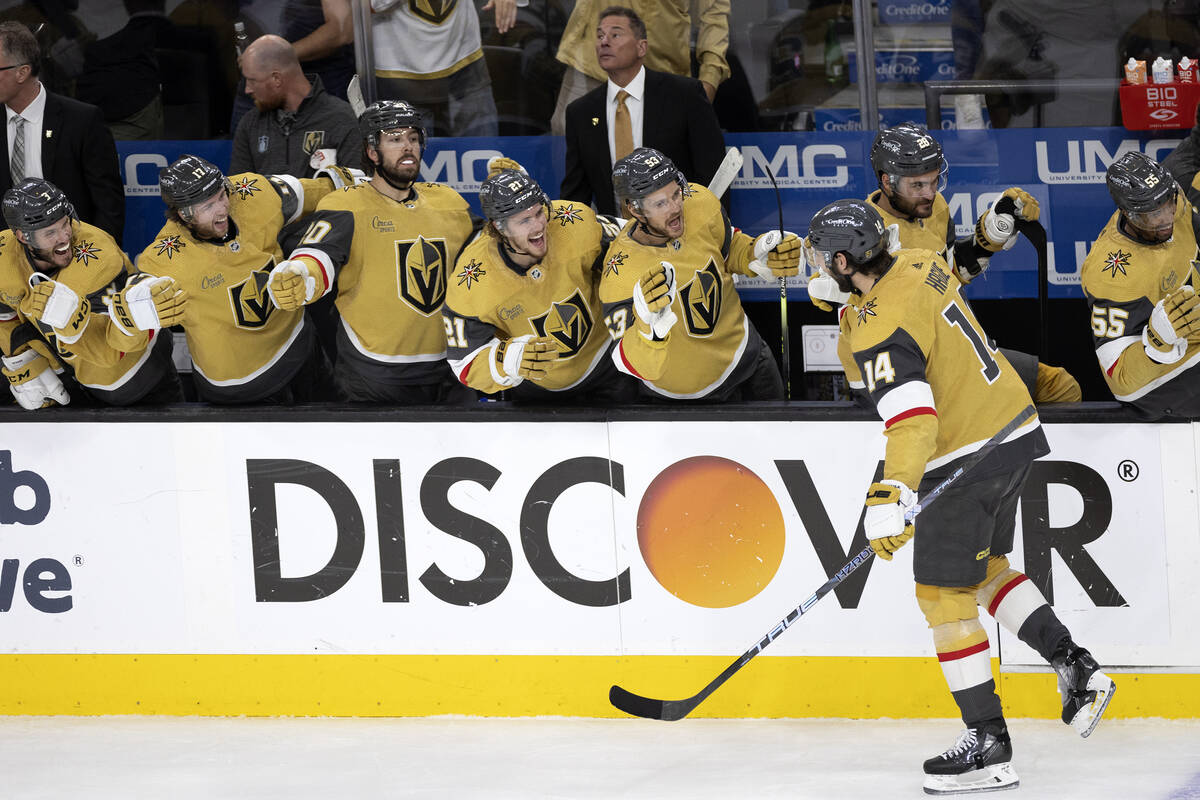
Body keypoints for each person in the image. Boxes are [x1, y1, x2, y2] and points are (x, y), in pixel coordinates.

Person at [807, 198, 1114, 795]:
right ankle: (1075, 665)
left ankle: (988, 744)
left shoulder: (877, 324)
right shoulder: (920, 262)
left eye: (825, 259)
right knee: (985, 569)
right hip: (1013, 433)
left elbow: (911, 416)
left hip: (963, 456)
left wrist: (893, 491)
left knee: (941, 593)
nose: (817, 266)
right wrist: (851, 306)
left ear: (845, 260)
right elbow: (871, 368)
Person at [809, 122, 1081, 404]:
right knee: (1053, 390)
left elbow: (948, 274)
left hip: (953, 345)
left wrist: (988, 236)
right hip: (909, 365)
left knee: (1061, 387)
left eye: (934, 180)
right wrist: (829, 290)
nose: (930, 193)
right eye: (917, 185)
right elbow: (828, 289)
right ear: (887, 181)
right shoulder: (862, 231)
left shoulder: (934, 207)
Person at [276, 100, 474, 404]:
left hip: (449, 368)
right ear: (371, 151)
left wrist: (514, 209)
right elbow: (319, 253)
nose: (408, 147)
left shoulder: (448, 201)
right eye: (394, 139)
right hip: (374, 374)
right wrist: (302, 274)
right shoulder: (346, 204)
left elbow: (485, 253)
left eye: (413, 138)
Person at [135, 154, 346, 405]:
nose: (223, 208)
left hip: (301, 351)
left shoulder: (252, 192)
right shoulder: (164, 261)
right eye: (208, 206)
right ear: (184, 215)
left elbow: (320, 191)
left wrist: (360, 183)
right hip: (239, 387)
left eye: (221, 196)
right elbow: (134, 318)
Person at [598, 147, 797, 401]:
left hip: (748, 364)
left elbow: (727, 248)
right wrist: (649, 334)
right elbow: (629, 361)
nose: (675, 208)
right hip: (675, 398)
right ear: (635, 210)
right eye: (660, 203)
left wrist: (754, 254)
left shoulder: (700, 201)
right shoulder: (619, 273)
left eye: (675, 194)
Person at [443, 161, 635, 403]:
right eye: (524, 221)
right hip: (535, 389)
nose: (538, 226)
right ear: (498, 228)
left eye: (537, 212)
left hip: (608, 370)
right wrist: (507, 360)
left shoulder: (572, 222)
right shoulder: (471, 280)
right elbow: (464, 362)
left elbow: (634, 245)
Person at [0, 177, 184, 408]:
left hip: (144, 377)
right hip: (76, 382)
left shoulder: (98, 257)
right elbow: (5, 314)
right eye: (51, 233)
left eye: (65, 223)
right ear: (22, 237)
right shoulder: (3, 256)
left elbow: (110, 351)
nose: (65, 236)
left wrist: (71, 326)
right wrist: (23, 360)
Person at [561, 6, 725, 216]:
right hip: (616, 243)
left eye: (616, 34)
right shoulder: (580, 112)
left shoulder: (685, 95)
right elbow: (576, 196)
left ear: (641, 47)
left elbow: (712, 174)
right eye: (600, 35)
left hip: (682, 234)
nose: (604, 42)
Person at [1081, 152, 1200, 420]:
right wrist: (1157, 343)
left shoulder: (1171, 198)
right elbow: (1120, 381)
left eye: (1168, 205)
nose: (1167, 219)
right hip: (1156, 380)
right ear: (1129, 213)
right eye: (1153, 216)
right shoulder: (1110, 273)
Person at [0, 21, 124, 241]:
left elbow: (108, 205)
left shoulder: (82, 121)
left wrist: (96, 258)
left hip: (70, 251)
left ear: (22, 73)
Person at [550, 0, 730, 135]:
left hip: (660, 72)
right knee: (569, 145)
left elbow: (713, 12)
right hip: (591, 64)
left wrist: (710, 77)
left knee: (655, 171)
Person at [369, 0, 519, 137]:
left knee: (483, 156)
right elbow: (371, 5)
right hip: (399, 76)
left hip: (466, 62)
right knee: (408, 161)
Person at [230, 34, 361, 179]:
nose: (247, 89)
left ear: (276, 79)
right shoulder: (250, 124)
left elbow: (354, 191)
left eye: (252, 81)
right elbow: (239, 191)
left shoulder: (340, 119)